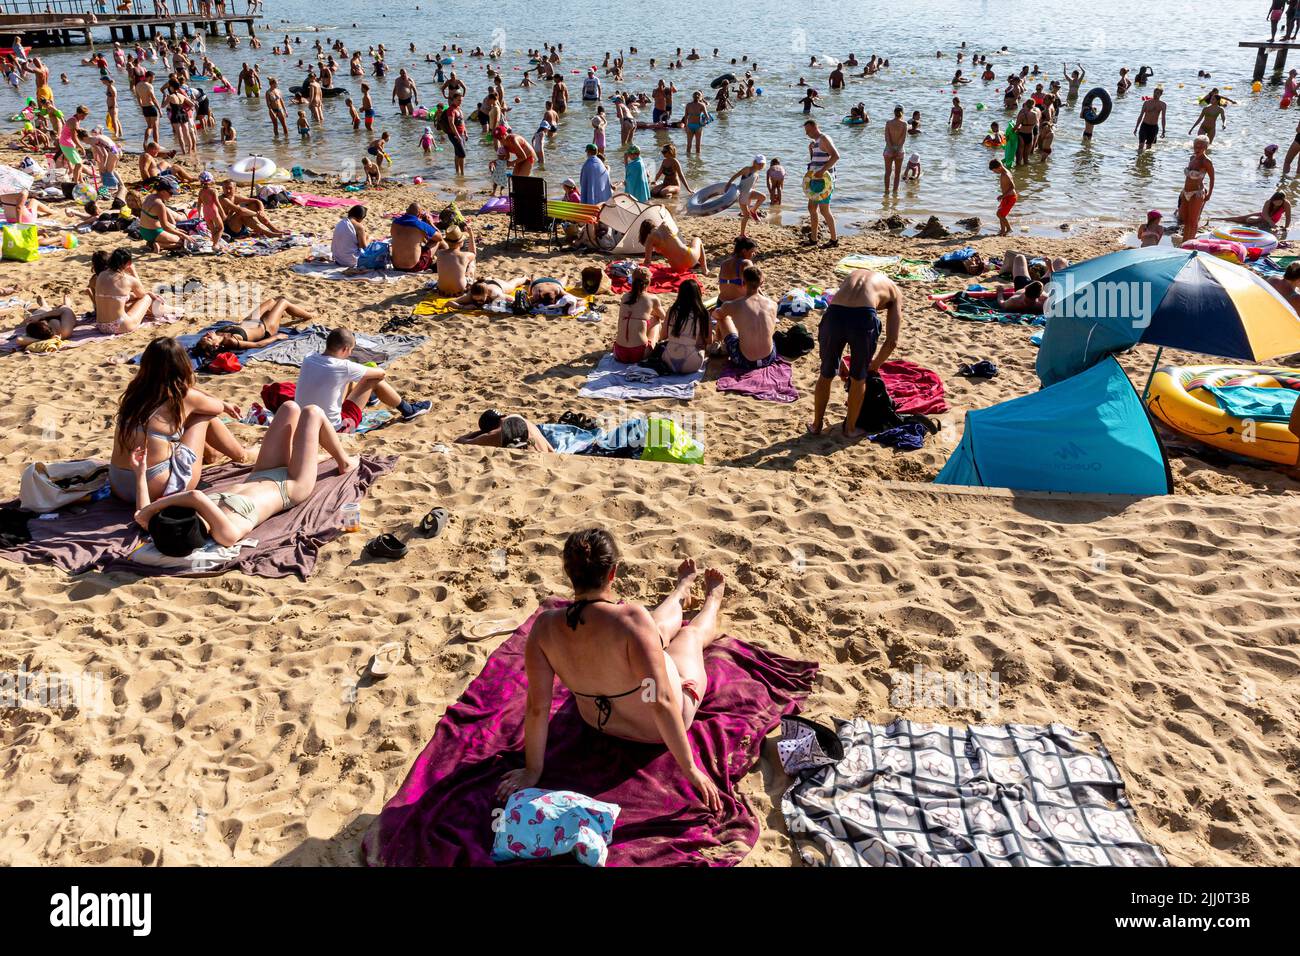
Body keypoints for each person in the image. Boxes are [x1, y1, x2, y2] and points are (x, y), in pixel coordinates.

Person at [495, 528, 726, 813]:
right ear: (613, 572)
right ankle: (712, 602)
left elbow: (537, 708)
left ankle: (680, 591)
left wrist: (532, 770)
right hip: (655, 729)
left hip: (598, 721)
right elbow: (661, 700)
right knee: (688, 638)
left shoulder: (544, 628)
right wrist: (690, 768)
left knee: (655, 628)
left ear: (568, 571)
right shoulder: (629, 619)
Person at [131, 401, 359, 556]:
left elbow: (143, 511)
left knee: (289, 408)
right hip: (290, 487)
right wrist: (151, 511)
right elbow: (194, 496)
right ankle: (344, 461)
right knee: (312, 412)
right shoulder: (225, 533)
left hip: (261, 473)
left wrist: (140, 473)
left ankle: (310, 455)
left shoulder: (176, 526)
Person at [110, 336, 249, 504]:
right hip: (154, 487)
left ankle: (213, 454)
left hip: (119, 483)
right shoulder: (183, 397)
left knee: (188, 416)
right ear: (182, 365)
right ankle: (241, 456)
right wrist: (223, 403)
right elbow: (216, 408)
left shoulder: (134, 393)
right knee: (203, 416)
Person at [809, 268, 902, 438]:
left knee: (826, 374)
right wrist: (872, 367)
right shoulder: (894, 291)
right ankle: (850, 429)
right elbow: (892, 342)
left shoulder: (853, 274)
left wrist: (840, 363)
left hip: (834, 314)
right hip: (863, 318)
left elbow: (840, 320)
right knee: (858, 379)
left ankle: (816, 425)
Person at [294, 327, 430, 432]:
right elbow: (381, 373)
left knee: (347, 379)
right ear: (345, 349)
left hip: (304, 422)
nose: (351, 353)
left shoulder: (309, 357)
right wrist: (367, 368)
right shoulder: (344, 366)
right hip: (334, 430)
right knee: (373, 379)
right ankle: (409, 410)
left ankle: (369, 398)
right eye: (351, 350)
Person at [189, 296, 312, 362]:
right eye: (209, 338)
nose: (207, 335)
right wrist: (276, 337)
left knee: (272, 301)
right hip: (266, 327)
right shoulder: (231, 342)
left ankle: (293, 312)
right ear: (216, 346)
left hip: (251, 320)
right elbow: (258, 345)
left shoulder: (217, 334)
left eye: (205, 337)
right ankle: (309, 315)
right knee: (283, 302)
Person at [712, 266, 777, 370]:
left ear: (743, 282)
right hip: (769, 358)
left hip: (745, 361)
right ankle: (720, 345)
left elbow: (715, 315)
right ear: (762, 283)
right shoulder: (773, 304)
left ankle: (717, 343)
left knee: (723, 317)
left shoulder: (733, 305)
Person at [613, 267, 664, 363]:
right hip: (639, 353)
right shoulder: (652, 298)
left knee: (639, 321)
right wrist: (652, 312)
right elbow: (663, 317)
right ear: (648, 282)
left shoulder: (625, 297)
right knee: (656, 320)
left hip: (619, 352)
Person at [803, 119, 839, 246]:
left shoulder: (824, 139)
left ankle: (834, 240)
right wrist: (811, 151)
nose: (806, 134)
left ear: (814, 127)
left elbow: (836, 156)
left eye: (807, 130)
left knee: (824, 210)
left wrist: (822, 171)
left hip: (824, 182)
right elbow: (817, 161)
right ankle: (813, 239)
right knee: (812, 208)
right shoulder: (816, 142)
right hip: (815, 180)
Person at [661, 279, 709, 374]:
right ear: (698, 294)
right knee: (703, 346)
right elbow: (708, 340)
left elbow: (663, 336)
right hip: (691, 363)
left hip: (668, 361)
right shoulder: (702, 313)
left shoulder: (672, 310)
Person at [1179, 135, 1214, 246]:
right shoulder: (1192, 158)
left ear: (1206, 147)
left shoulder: (1206, 161)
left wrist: (1209, 194)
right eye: (1195, 146)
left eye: (1200, 146)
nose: (1197, 149)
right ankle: (1184, 243)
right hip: (1186, 191)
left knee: (1193, 221)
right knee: (1184, 219)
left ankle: (1190, 245)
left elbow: (1212, 178)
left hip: (1197, 193)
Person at [640, 217, 707, 273]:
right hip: (689, 258)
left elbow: (647, 262)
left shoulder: (650, 239)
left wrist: (641, 273)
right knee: (697, 239)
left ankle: (696, 266)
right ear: (654, 225)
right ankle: (705, 270)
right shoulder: (664, 225)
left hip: (677, 268)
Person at [390, 202, 442, 271]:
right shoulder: (421, 225)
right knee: (437, 241)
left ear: (407, 211)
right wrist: (430, 223)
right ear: (420, 214)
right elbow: (440, 237)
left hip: (396, 266)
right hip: (414, 267)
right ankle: (443, 262)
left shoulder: (395, 222)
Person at [725, 155, 766, 238]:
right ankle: (742, 234)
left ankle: (753, 210)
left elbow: (752, 187)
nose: (761, 166)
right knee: (746, 216)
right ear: (755, 162)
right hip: (742, 194)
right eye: (759, 163)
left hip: (749, 193)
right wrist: (728, 184)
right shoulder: (747, 169)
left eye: (762, 164)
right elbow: (735, 176)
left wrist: (750, 200)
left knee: (763, 197)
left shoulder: (757, 175)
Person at [435, 224, 478, 295]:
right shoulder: (464, 256)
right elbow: (473, 253)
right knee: (472, 261)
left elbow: (450, 254)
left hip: (441, 290)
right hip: (460, 291)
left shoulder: (440, 253)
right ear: (461, 242)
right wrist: (471, 234)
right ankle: (469, 281)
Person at [882, 106, 906, 194]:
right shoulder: (904, 124)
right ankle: (895, 192)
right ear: (902, 113)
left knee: (887, 172)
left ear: (894, 112)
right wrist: (897, 150)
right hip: (900, 151)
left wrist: (891, 149)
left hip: (888, 150)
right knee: (897, 173)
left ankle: (886, 191)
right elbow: (903, 139)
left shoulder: (888, 123)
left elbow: (887, 138)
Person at [990, 158, 1016, 236]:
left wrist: (1003, 195)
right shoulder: (1004, 172)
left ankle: (1009, 229)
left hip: (1011, 197)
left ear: (999, 167)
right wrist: (1003, 196)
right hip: (1006, 197)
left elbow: (1012, 186)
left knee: (999, 214)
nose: (994, 172)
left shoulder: (1006, 174)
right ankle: (1002, 230)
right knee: (1001, 213)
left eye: (995, 171)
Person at [1135, 86, 1166, 152]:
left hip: (1153, 127)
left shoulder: (1163, 105)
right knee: (1141, 146)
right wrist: (1136, 127)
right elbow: (1141, 116)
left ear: (1161, 94)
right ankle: (1138, 159)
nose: (1155, 94)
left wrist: (1163, 130)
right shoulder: (1146, 103)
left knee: (1148, 148)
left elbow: (1163, 118)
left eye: (1157, 93)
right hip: (1144, 126)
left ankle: (1147, 160)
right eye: (1155, 92)